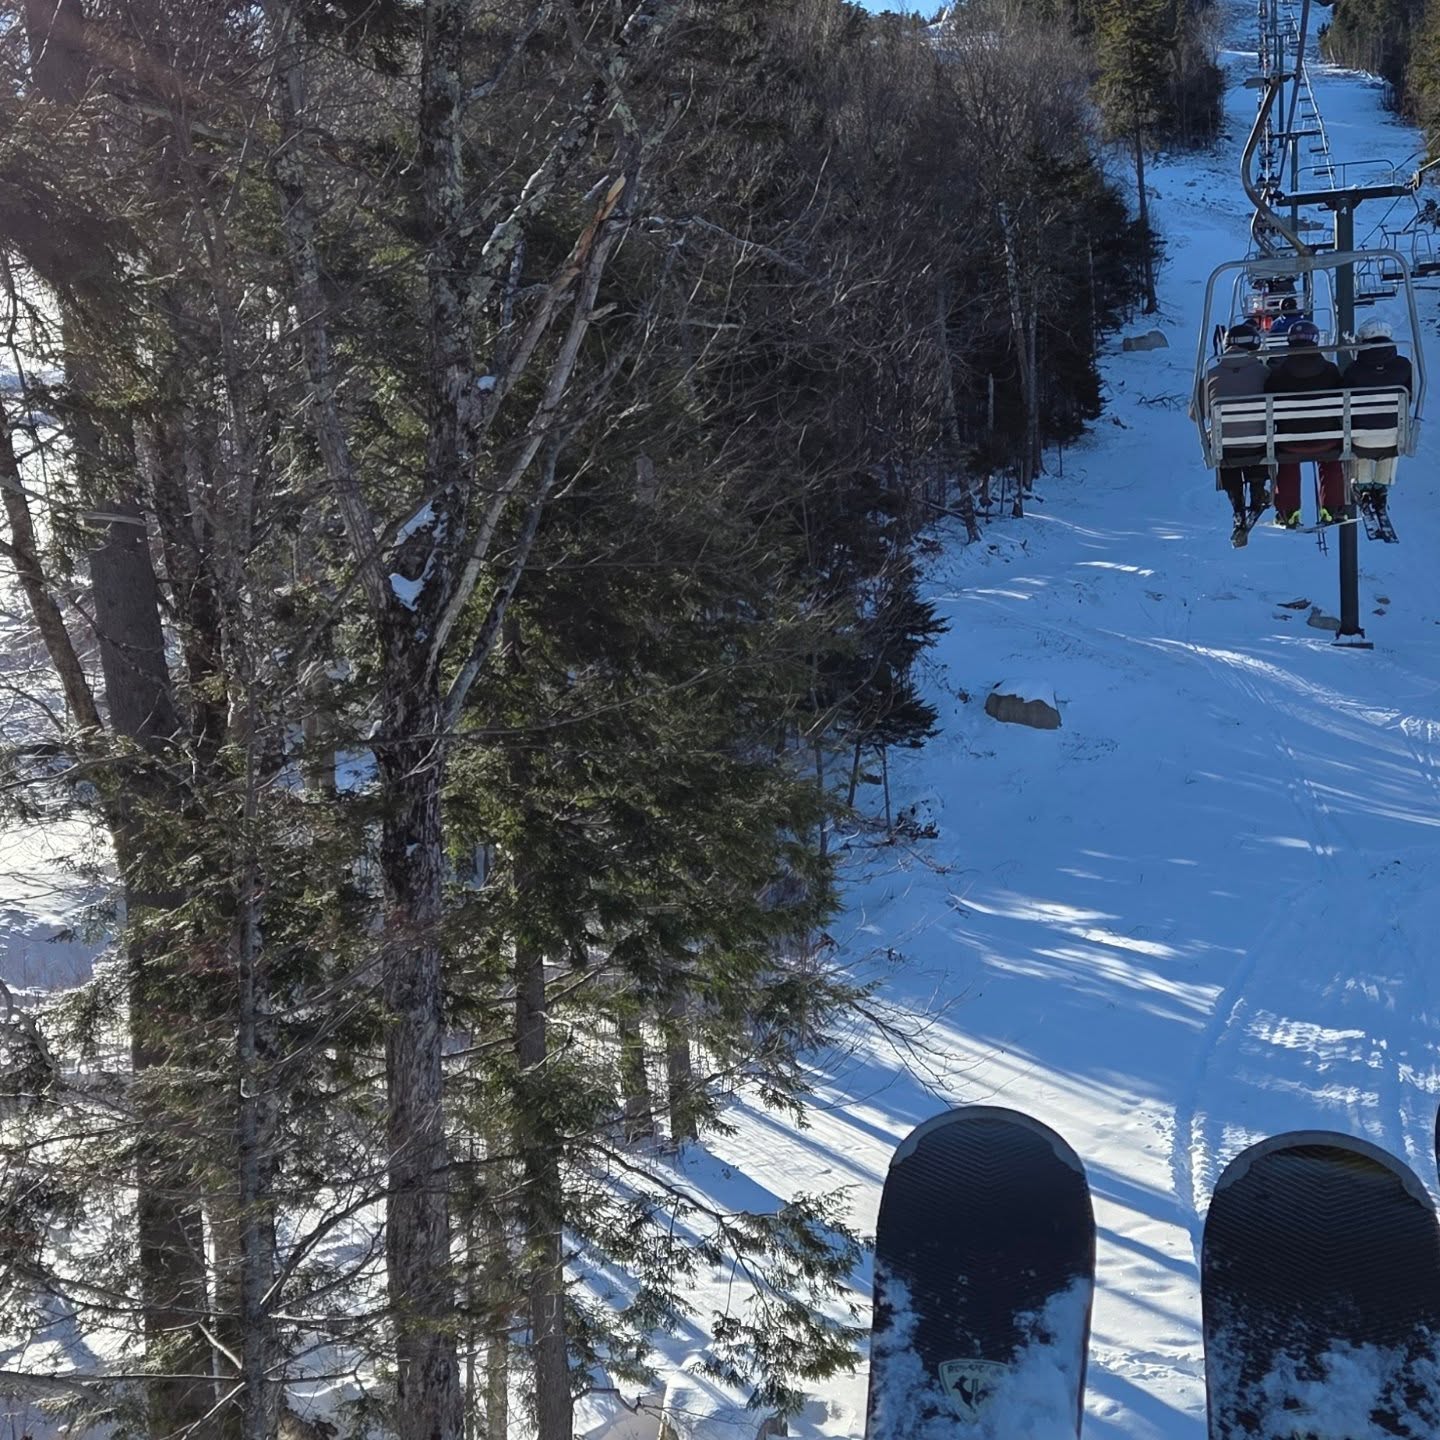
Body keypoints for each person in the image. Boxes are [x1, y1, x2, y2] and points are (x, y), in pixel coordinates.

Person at [1264, 318, 1346, 527]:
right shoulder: (1330, 370)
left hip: (1290, 442)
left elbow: (1268, 404)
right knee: (1330, 460)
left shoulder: (1278, 374)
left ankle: (1288, 512)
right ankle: (1333, 509)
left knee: (1288, 461)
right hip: (1327, 440)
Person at [1203, 321, 1272, 538]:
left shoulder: (1211, 374)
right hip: (1258, 445)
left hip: (1226, 448)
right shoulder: (1263, 372)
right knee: (1258, 438)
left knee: (1224, 446)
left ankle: (1237, 507)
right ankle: (1257, 491)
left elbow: (1196, 413)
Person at [1341, 316, 1412, 516]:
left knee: (1362, 438)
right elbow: (1411, 395)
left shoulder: (1354, 369)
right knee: (1391, 435)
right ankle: (1381, 488)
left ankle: (1363, 486)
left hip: (1361, 439)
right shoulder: (1403, 366)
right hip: (1393, 437)